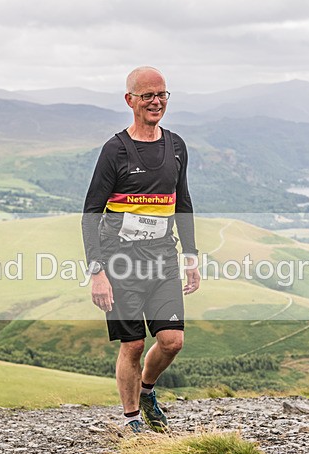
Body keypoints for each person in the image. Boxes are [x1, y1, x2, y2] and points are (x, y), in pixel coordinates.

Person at [81, 66, 200, 434]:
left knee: (172, 340)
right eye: (147, 95)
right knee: (132, 345)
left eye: (162, 94)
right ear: (129, 99)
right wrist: (96, 272)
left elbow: (182, 203)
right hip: (120, 261)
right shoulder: (115, 150)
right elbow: (90, 213)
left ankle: (147, 391)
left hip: (163, 258)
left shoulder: (176, 146)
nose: (156, 102)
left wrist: (191, 258)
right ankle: (132, 420)